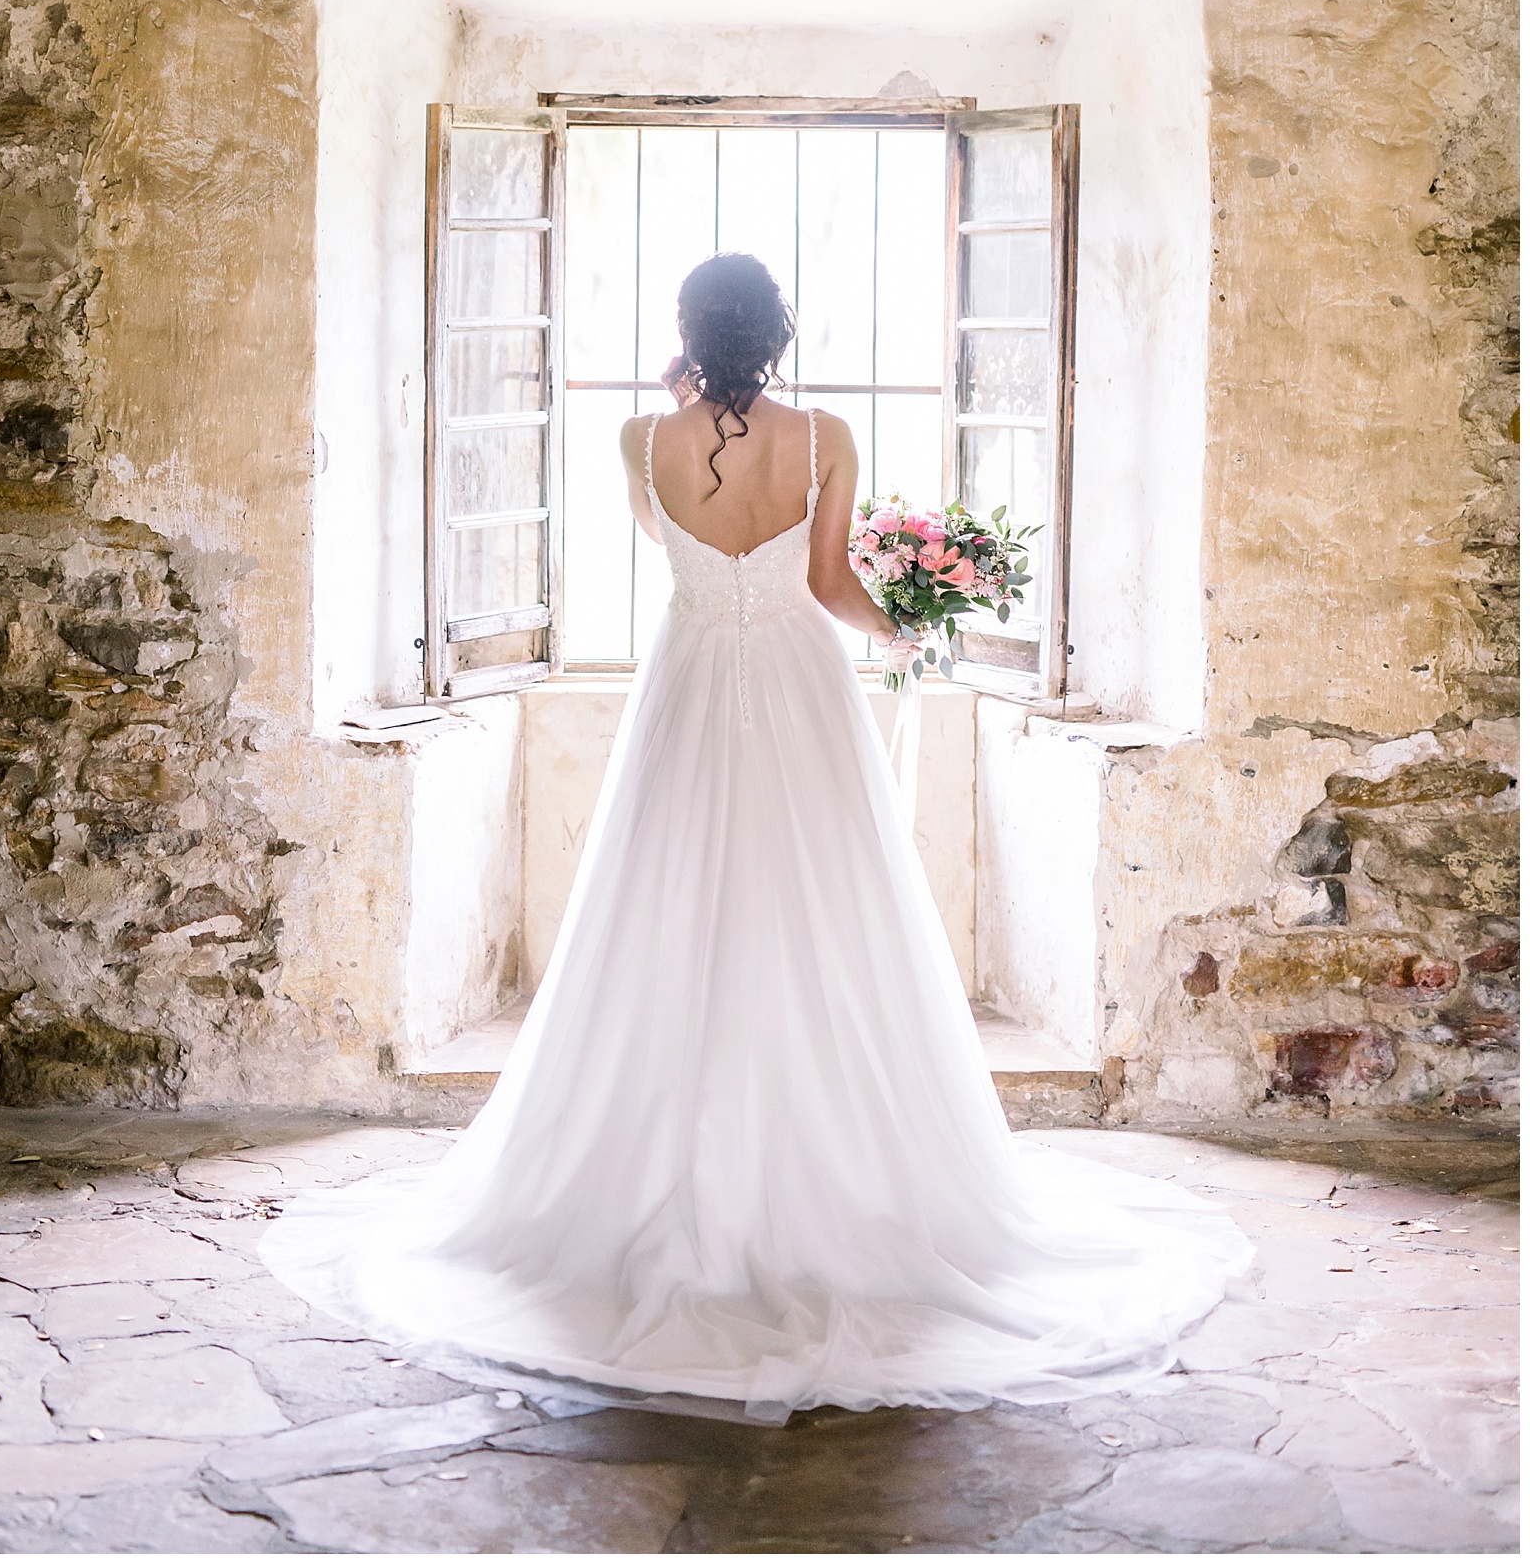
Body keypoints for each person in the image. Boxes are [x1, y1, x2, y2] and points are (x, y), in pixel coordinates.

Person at [261, 253, 1249, 1421]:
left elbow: (673, 554)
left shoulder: (639, 439)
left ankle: (646, 1166)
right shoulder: (823, 435)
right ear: (778, 329)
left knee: (662, 906)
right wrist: (901, 637)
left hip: (683, 690)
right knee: (826, 907)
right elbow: (827, 584)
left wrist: (675, 395)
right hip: (799, 688)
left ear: (686, 330)